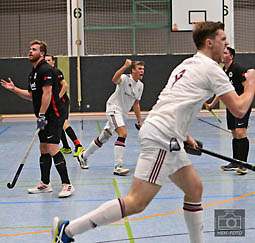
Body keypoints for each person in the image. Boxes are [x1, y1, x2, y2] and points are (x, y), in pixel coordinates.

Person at [52, 21, 255, 243]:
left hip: (166, 133)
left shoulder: (185, 64)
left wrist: (184, 135)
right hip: (162, 137)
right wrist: (252, 83)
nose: (226, 45)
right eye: (223, 40)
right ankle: (68, 230)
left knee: (194, 189)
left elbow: (173, 101)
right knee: (136, 202)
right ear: (209, 42)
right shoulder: (213, 70)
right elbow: (239, 108)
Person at [1, 40, 74, 198]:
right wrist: (14, 89)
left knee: (53, 148)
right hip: (43, 116)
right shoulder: (33, 74)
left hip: (53, 115)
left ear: (42, 53)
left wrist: (41, 115)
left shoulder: (45, 69)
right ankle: (45, 184)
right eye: (30, 49)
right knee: (43, 148)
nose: (30, 51)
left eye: (34, 49)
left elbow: (47, 94)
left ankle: (67, 184)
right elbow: (32, 95)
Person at [77, 59, 144, 175]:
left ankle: (83, 156)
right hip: (113, 109)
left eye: (143, 69)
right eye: (139, 68)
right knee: (123, 134)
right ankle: (118, 166)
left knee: (104, 137)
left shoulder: (140, 86)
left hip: (122, 114)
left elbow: (136, 104)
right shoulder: (124, 78)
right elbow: (114, 79)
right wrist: (124, 66)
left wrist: (140, 121)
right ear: (133, 70)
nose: (142, 71)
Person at [206, 47, 251, 175]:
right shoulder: (223, 71)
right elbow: (221, 91)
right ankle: (235, 161)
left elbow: (247, 87)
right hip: (231, 106)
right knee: (234, 133)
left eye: (225, 52)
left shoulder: (238, 69)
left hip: (242, 105)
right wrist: (212, 104)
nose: (222, 54)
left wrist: (244, 101)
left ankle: (244, 164)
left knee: (241, 132)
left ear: (231, 56)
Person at [45, 54, 85, 157]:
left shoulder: (56, 71)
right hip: (55, 103)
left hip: (62, 102)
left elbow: (65, 85)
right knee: (59, 124)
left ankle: (78, 145)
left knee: (64, 124)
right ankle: (66, 147)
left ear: (53, 62)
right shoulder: (46, 73)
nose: (47, 62)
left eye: (49, 60)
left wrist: (57, 98)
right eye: (45, 60)